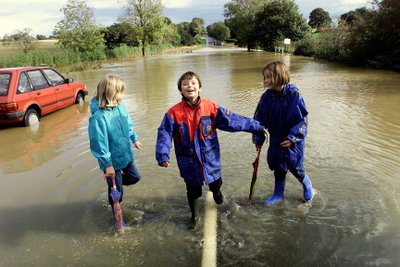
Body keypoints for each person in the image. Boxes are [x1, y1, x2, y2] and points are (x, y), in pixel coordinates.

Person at [156, 71, 267, 229]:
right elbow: (164, 134)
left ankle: (217, 193)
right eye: (185, 84)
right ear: (180, 89)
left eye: (193, 83)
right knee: (193, 190)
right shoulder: (173, 113)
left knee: (216, 183)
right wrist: (162, 155)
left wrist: (257, 127)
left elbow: (232, 120)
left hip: (210, 159)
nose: (190, 86)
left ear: (200, 87)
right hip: (188, 161)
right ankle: (194, 217)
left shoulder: (210, 107)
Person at [253, 61, 314, 205]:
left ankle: (307, 184)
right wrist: (258, 139)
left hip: (292, 141)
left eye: (269, 77)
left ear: (280, 76)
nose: (266, 80)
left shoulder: (294, 95)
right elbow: (258, 119)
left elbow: (302, 121)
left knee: (295, 167)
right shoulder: (266, 98)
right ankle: (278, 194)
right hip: (276, 139)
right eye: (265, 77)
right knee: (278, 168)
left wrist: (293, 137)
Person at [88, 74, 142, 230]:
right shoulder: (98, 117)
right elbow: (99, 143)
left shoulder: (121, 107)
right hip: (112, 162)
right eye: (120, 93)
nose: (123, 96)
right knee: (117, 195)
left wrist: (134, 139)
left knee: (135, 177)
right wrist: (107, 165)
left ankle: (116, 185)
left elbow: (128, 124)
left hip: (125, 154)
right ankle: (119, 222)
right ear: (110, 93)